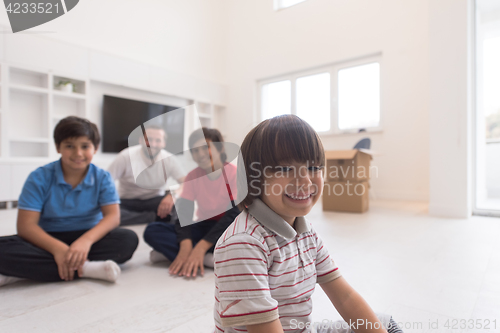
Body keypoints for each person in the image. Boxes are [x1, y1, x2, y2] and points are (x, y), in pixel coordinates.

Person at [213, 115, 403, 333]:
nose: (305, 180)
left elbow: (345, 297)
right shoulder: (243, 244)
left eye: (313, 167)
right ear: (252, 178)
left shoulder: (306, 232)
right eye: (285, 169)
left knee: (385, 325)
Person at [0, 116, 139, 287]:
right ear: (58, 147)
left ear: (95, 148)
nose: (78, 153)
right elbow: (26, 226)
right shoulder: (39, 177)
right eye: (69, 146)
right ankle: (86, 268)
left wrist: (85, 242)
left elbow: (112, 217)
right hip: (47, 239)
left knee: (128, 240)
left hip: (88, 236)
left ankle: (25, 271)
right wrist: (59, 249)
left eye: (85, 146)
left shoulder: (103, 178)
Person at [143, 127, 240, 277]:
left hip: (229, 229)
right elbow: (184, 214)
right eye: (194, 150)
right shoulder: (192, 176)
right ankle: (208, 259)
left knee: (241, 244)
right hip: (204, 225)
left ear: (220, 148)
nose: (199, 154)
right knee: (153, 230)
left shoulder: (235, 174)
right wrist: (185, 244)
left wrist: (201, 247)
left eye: (205, 148)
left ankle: (183, 255)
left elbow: (233, 216)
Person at [108, 125, 185, 225]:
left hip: (154, 200)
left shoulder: (169, 159)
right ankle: (152, 217)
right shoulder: (125, 156)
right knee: (105, 212)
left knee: (180, 204)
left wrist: (172, 195)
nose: (152, 144)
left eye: (158, 140)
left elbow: (186, 181)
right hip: (126, 201)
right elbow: (106, 180)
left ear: (164, 143)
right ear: (141, 140)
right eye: (149, 139)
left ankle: (141, 218)